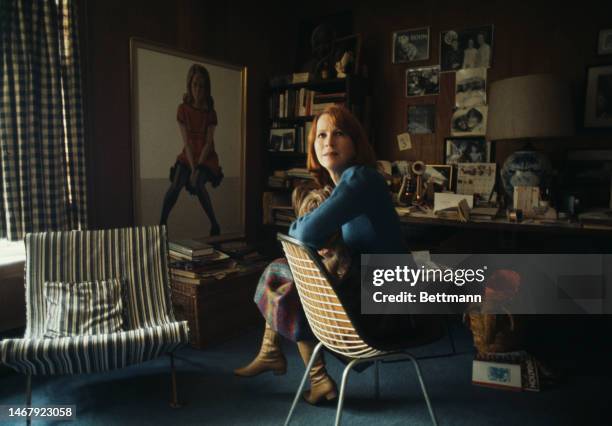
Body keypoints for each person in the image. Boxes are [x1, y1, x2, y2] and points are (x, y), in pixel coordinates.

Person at [234, 186, 350, 405]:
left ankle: (311, 374)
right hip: (322, 312)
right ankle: (275, 354)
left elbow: (332, 287)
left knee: (280, 276)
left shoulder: (340, 255)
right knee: (288, 285)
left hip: (337, 321)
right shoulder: (334, 248)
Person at [159, 64, 222, 236]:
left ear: (206, 88)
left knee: (199, 183)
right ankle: (161, 223)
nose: (198, 89)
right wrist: (192, 168)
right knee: (176, 184)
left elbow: (208, 143)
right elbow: (186, 142)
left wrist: (198, 169)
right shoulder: (183, 109)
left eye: (202, 85)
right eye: (195, 84)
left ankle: (214, 224)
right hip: (188, 154)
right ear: (190, 84)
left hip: (206, 156)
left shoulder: (210, 113)